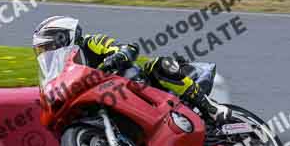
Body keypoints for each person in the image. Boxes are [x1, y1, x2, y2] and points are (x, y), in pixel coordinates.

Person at [32, 16, 231, 124]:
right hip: (109, 101)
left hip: (136, 86)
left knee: (159, 65)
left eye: (49, 46)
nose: (47, 51)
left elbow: (129, 48)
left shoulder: (91, 42)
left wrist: (117, 56)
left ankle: (211, 108)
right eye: (43, 49)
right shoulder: (63, 68)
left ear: (63, 37)